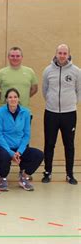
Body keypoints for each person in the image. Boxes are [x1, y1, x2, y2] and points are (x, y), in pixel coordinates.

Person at [42, 44, 80, 185]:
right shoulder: (48, 70)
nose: (62, 55)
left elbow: (79, 90)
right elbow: (45, 90)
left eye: (64, 53)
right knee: (49, 144)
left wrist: (71, 103)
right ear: (56, 54)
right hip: (51, 113)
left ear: (68, 54)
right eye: (60, 53)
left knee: (69, 144)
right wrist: (52, 103)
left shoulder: (76, 71)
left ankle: (70, 174)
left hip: (69, 114)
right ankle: (47, 172)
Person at [0, 88, 44, 191]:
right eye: (10, 97)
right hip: (4, 146)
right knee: (4, 155)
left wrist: (19, 151)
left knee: (39, 155)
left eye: (15, 97)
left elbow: (26, 135)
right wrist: (10, 152)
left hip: (19, 147)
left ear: (18, 99)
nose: (13, 99)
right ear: (6, 100)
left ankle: (24, 177)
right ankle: (3, 178)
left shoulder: (26, 112)